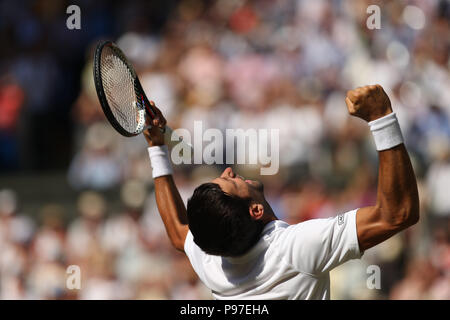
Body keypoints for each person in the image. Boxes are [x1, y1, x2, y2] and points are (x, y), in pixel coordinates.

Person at [143, 85, 419, 300]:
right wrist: (382, 118)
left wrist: (157, 148)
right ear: (255, 210)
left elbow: (178, 231)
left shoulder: (213, 260)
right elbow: (397, 214)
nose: (228, 170)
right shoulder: (294, 249)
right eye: (230, 182)